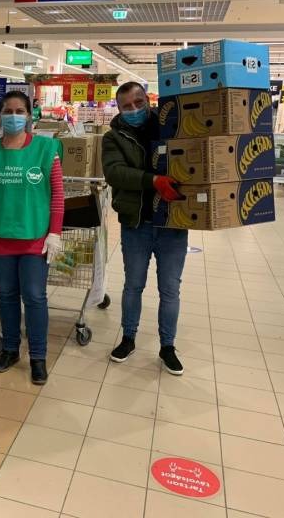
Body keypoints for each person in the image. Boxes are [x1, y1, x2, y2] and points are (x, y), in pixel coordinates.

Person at [0, 91, 64, 385]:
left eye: (19, 111)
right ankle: (11, 349)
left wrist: (54, 232)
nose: (13, 116)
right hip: (1, 237)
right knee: (7, 296)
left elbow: (57, 195)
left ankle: (38, 356)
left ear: (28, 115)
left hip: (34, 238)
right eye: (7, 110)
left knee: (35, 297)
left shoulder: (45, 148)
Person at [101, 81, 187, 375]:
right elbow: (115, 173)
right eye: (127, 106)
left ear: (148, 100)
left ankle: (167, 346)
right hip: (136, 223)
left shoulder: (172, 127)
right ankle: (128, 338)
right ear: (119, 109)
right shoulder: (113, 137)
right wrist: (153, 181)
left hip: (173, 222)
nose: (134, 109)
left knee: (170, 289)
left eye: (138, 102)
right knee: (133, 285)